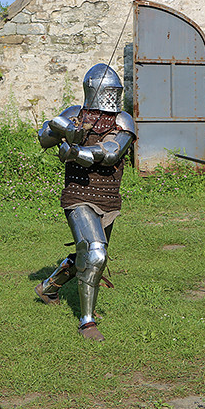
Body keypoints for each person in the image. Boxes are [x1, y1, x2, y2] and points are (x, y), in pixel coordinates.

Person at [35, 63, 136, 341]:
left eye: (115, 91)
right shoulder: (75, 114)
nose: (112, 96)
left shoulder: (123, 120)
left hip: (108, 198)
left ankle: (48, 287)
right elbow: (44, 137)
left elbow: (111, 153)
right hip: (78, 196)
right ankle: (87, 322)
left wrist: (75, 150)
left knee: (89, 255)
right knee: (95, 253)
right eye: (108, 91)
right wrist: (66, 130)